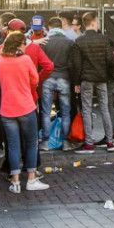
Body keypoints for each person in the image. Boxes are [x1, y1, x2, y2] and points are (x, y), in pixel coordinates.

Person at [0, 31, 51, 193]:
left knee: (12, 146)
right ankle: (31, 179)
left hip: (7, 109)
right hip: (26, 107)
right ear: (19, 44)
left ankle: (16, 182)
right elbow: (35, 79)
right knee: (31, 143)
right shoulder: (25, 60)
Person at [71, 11, 114, 154]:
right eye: (97, 22)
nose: (98, 24)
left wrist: (76, 83)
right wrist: (109, 76)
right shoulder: (104, 39)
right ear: (92, 23)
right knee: (104, 109)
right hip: (102, 79)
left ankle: (89, 144)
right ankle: (110, 142)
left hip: (86, 80)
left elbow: (76, 64)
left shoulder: (79, 41)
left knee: (86, 109)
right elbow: (110, 61)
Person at [38, 16, 75, 151]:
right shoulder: (69, 42)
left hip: (48, 79)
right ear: (61, 27)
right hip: (64, 78)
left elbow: (40, 63)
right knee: (65, 112)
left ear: (49, 27)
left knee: (46, 112)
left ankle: (46, 142)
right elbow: (72, 64)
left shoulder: (44, 42)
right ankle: (65, 142)